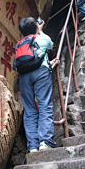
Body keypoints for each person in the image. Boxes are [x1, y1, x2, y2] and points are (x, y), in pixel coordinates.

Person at [17, 17, 58, 152]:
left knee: (29, 110)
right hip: (41, 72)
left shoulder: (19, 44)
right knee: (44, 104)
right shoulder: (41, 38)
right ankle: (45, 141)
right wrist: (40, 31)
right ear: (36, 27)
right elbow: (51, 45)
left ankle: (33, 146)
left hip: (24, 76)